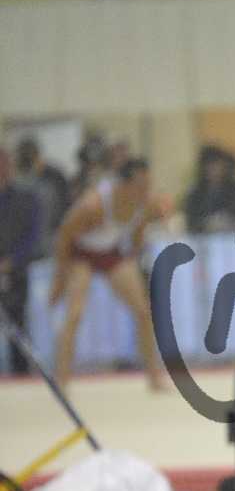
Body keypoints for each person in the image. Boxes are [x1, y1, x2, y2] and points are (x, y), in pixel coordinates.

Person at [49, 158, 167, 390]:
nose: (147, 190)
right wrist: (59, 280)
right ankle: (62, 380)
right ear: (124, 185)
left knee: (143, 312)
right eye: (141, 185)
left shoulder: (145, 202)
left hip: (112, 252)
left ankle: (154, 377)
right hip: (80, 254)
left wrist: (133, 258)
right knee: (74, 314)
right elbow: (64, 237)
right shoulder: (94, 205)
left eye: (148, 184)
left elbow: (137, 231)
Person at [0, 147, 42, 374]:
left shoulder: (26, 198)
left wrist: (12, 261)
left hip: (14, 272)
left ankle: (21, 371)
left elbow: (32, 236)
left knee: (17, 324)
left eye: (5, 163)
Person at [14, 136, 70, 258]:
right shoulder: (18, 181)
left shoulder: (54, 176)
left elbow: (65, 206)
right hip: (27, 243)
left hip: (50, 238)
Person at [183, 143, 235, 234]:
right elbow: (191, 223)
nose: (213, 170)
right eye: (209, 166)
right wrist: (207, 225)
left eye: (217, 165)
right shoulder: (195, 195)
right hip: (205, 238)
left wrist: (231, 222)